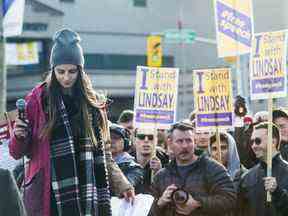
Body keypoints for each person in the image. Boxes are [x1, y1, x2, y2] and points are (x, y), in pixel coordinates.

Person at [9, 29, 133, 216]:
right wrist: (19, 136)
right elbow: (17, 152)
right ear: (53, 70)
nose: (66, 77)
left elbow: (104, 153)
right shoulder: (36, 100)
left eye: (72, 71)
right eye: (60, 71)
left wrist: (122, 183)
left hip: (87, 188)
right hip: (49, 192)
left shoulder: (93, 103)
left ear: (80, 70)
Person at [150, 120, 236, 216]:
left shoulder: (213, 168)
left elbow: (230, 199)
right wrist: (160, 202)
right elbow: (148, 211)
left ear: (194, 142)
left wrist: (198, 203)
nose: (185, 146)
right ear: (170, 144)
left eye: (188, 140)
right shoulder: (161, 176)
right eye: (179, 141)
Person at [237, 122, 288, 216]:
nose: (254, 146)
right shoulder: (247, 177)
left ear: (273, 142)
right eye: (251, 142)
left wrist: (278, 192)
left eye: (258, 141)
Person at [132, 128, 169, 194]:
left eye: (151, 137)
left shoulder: (166, 161)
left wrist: (159, 172)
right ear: (134, 140)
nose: (146, 140)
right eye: (141, 137)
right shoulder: (126, 161)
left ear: (156, 140)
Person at [110, 123, 144, 190]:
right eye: (108, 137)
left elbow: (125, 187)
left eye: (116, 138)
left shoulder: (134, 168)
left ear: (126, 143)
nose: (111, 141)